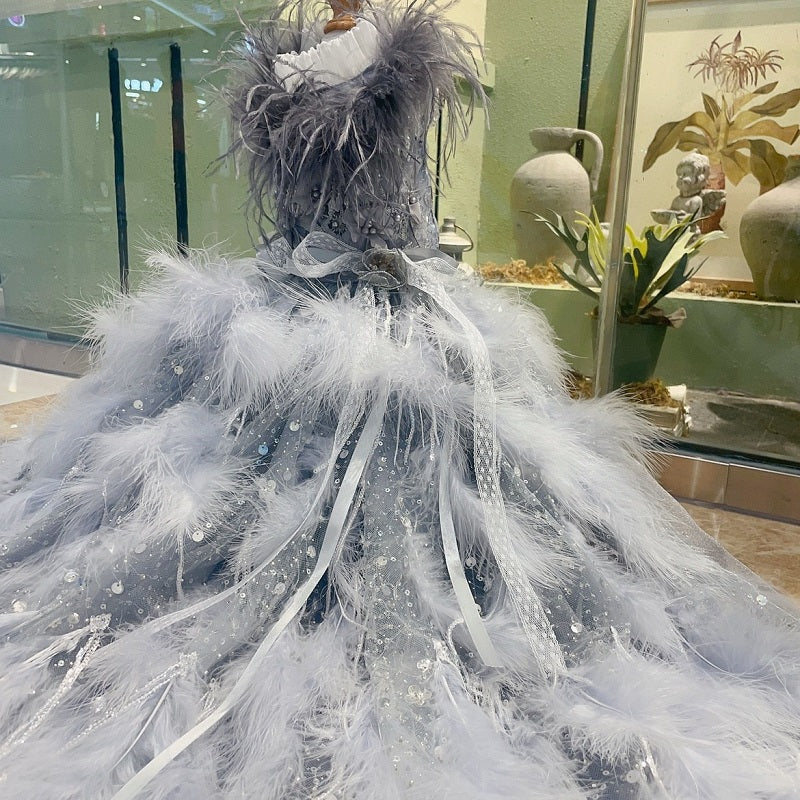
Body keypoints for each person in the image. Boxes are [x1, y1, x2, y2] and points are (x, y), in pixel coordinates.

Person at [1, 2, 799, 798]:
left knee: (477, 501)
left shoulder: (404, 60)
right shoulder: (280, 70)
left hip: (407, 314)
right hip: (289, 318)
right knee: (237, 492)